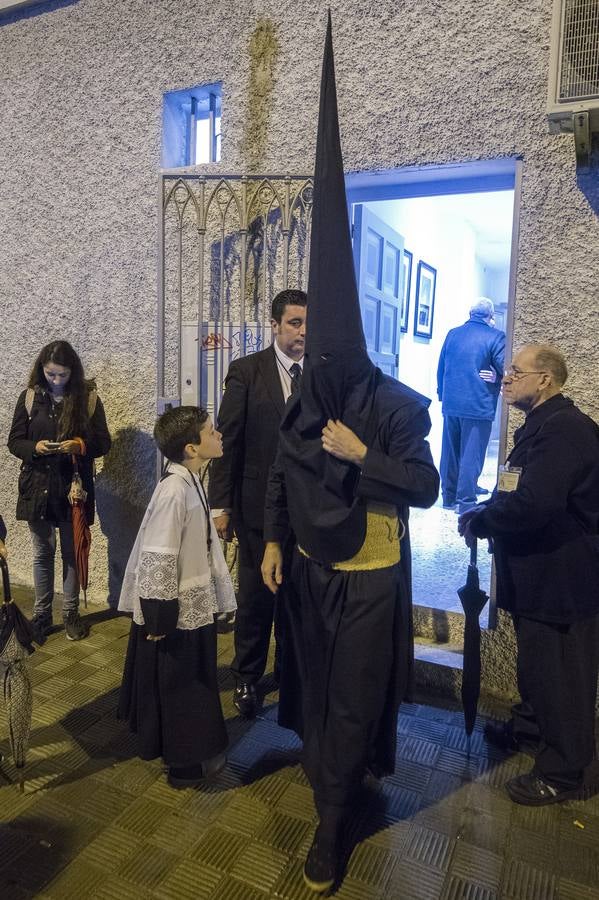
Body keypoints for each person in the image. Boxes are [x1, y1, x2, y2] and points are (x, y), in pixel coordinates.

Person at [261, 17, 439, 893]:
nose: (316, 366)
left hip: (370, 576)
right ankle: (340, 781)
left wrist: (362, 454)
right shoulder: (303, 400)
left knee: (351, 695)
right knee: (316, 688)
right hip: (306, 572)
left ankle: (331, 829)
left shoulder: (398, 407)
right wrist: (268, 539)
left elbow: (427, 486)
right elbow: (277, 475)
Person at [459, 343, 599, 806]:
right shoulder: (542, 427)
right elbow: (518, 487)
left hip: (562, 580)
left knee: (561, 675)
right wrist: (488, 508)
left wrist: (484, 520)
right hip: (538, 575)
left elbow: (537, 502)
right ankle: (531, 729)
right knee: (538, 667)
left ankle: (564, 772)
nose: (505, 378)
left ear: (545, 380)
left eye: (515, 372)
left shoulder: (566, 433)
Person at [118, 406, 236, 788]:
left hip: (190, 602)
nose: (218, 436)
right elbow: (159, 553)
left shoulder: (190, 480)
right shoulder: (173, 491)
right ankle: (184, 763)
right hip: (173, 611)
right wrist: (158, 616)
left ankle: (191, 754)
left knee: (192, 679)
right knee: (180, 685)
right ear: (191, 447)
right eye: (211, 432)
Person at [208, 288, 307, 718]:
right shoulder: (247, 371)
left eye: (307, 323)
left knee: (296, 599)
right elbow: (227, 441)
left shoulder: (319, 377)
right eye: (294, 323)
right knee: (255, 599)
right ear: (275, 325)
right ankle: (247, 677)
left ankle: (290, 674)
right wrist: (221, 504)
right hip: (253, 508)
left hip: (304, 513)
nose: (303, 331)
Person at [7, 340, 111, 641]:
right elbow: (15, 442)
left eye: (62, 375)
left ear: (72, 372)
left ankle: (70, 614)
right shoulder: (29, 397)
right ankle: (41, 615)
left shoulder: (88, 399)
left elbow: (103, 443)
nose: (56, 380)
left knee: (71, 552)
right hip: (37, 485)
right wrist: (35, 448)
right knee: (42, 553)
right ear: (42, 369)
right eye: (51, 374)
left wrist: (80, 445)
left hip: (72, 487)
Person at [437, 297, 505, 512]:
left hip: (451, 401)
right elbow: (505, 368)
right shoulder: (496, 336)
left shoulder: (452, 334)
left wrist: (442, 393)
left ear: (470, 313)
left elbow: (441, 366)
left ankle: (448, 497)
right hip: (478, 403)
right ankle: (465, 501)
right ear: (490, 317)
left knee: (450, 451)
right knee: (471, 453)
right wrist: (496, 377)